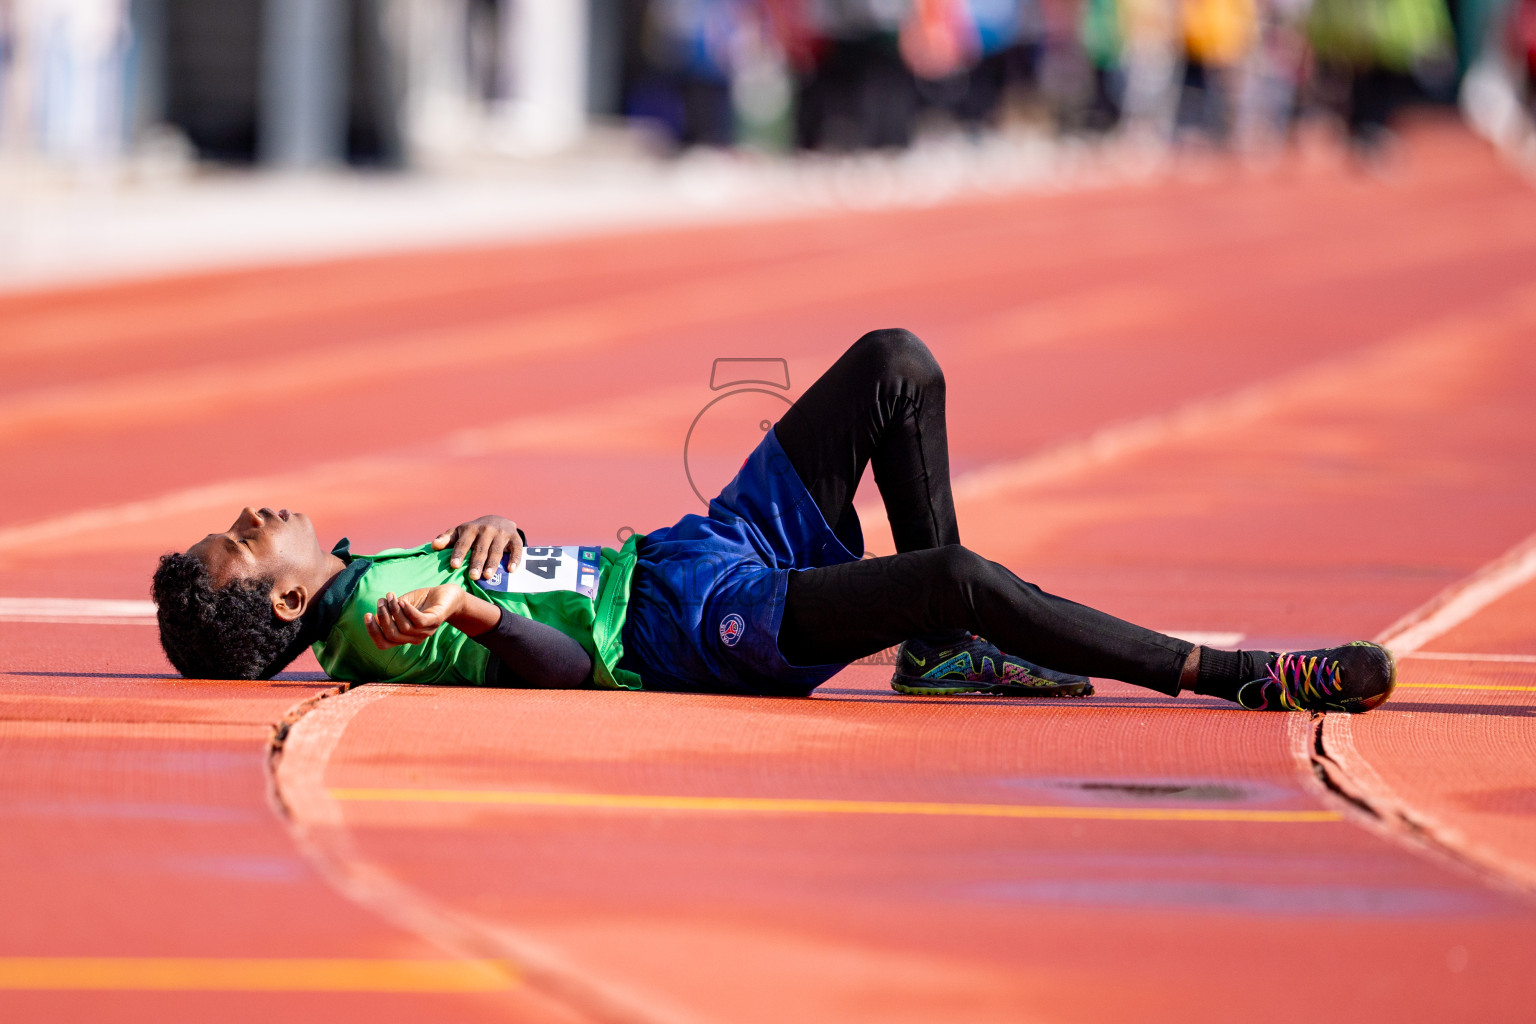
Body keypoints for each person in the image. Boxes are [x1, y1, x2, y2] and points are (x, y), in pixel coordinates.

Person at [152, 330, 1396, 714]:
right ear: (275, 600)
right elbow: (568, 668)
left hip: (684, 555)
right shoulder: (369, 618)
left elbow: (518, 588)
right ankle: (1227, 674)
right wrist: (477, 605)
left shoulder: (370, 580)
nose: (256, 512)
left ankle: (945, 659)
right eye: (244, 535)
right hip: (693, 625)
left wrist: (491, 534)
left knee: (894, 369)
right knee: (950, 570)